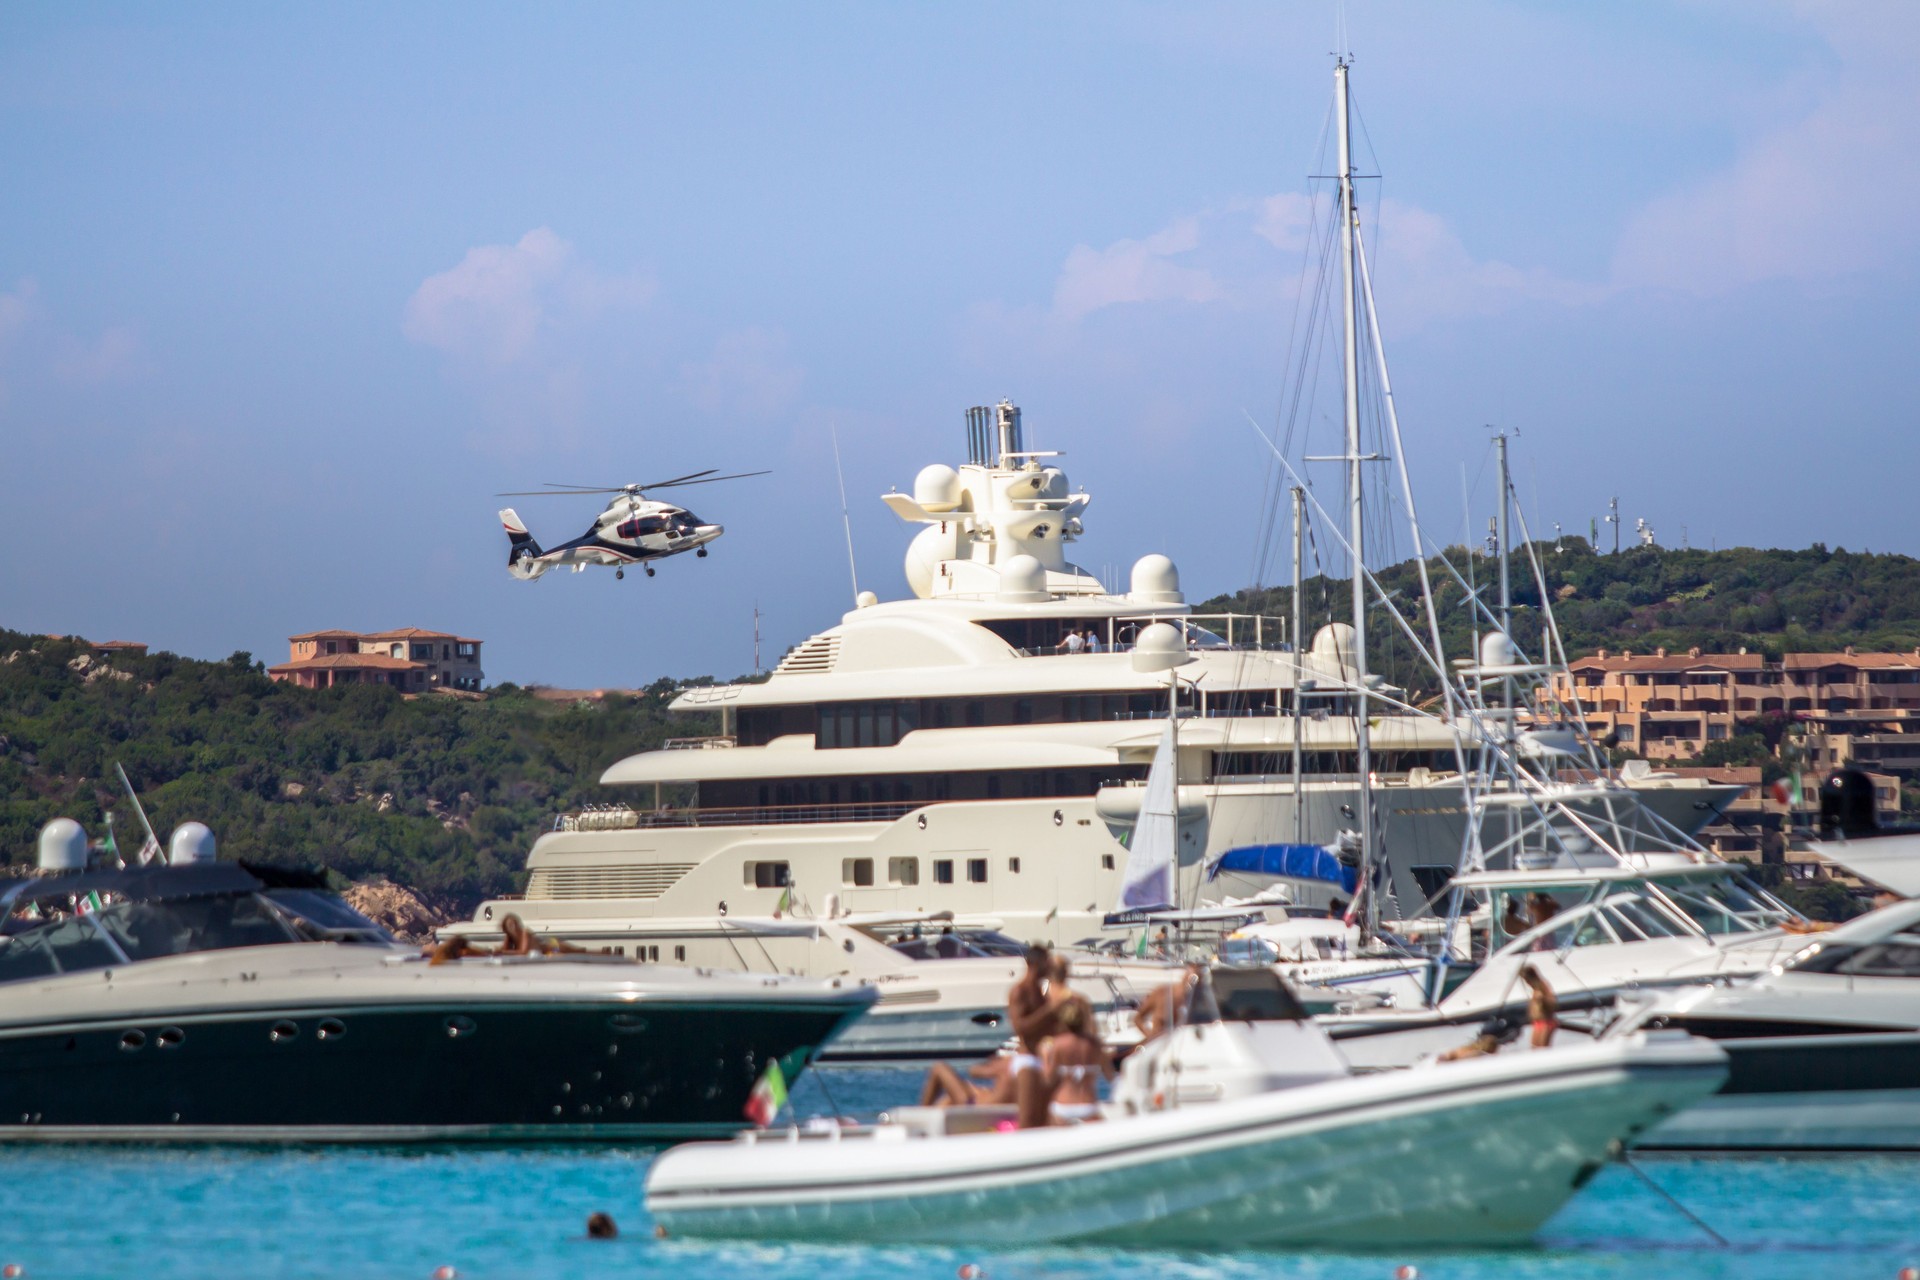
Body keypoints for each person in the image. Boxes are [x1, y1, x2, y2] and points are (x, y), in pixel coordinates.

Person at [1007, 944, 1060, 1128]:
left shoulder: (1040, 992)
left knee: (1044, 1119)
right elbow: (1020, 1027)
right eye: (1047, 963)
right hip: (1027, 1059)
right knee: (1029, 1119)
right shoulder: (1019, 991)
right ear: (1036, 964)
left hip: (1042, 1060)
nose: (1050, 967)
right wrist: (1049, 1011)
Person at [1042, 998, 1113, 1124]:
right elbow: (1110, 1076)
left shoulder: (1057, 1045)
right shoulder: (1094, 1044)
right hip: (1088, 1105)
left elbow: (1048, 1078)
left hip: (1062, 1105)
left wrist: (1045, 1058)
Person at [1132, 964, 1202, 1044]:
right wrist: (1150, 1037)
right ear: (1183, 978)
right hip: (1159, 1046)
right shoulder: (1161, 993)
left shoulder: (1199, 1002)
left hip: (1184, 1047)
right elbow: (1138, 1018)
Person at [1520, 964, 1558, 1048]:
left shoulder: (1542, 986)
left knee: (1542, 1048)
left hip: (1545, 1022)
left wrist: (1543, 999)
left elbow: (1553, 1003)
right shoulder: (1534, 989)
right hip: (1537, 1022)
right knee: (1534, 1048)